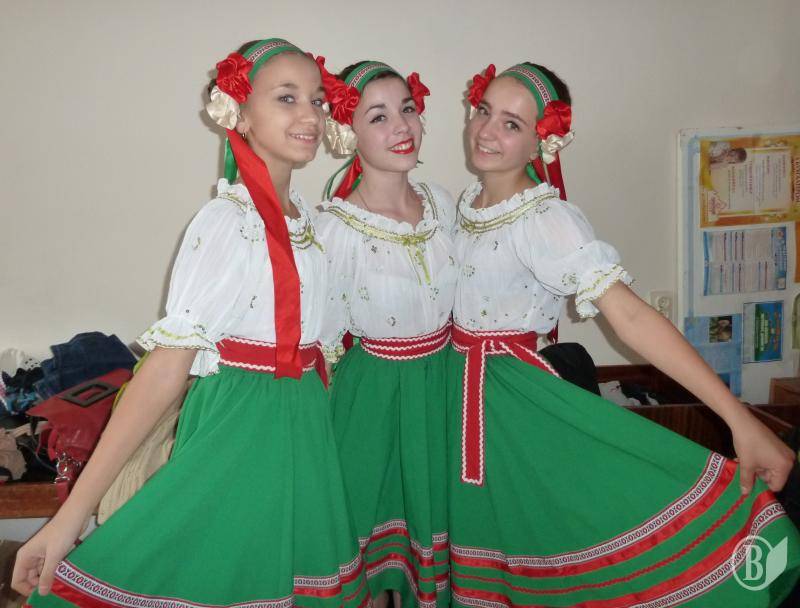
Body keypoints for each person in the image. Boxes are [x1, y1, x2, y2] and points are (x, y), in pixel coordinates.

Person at [13, 39, 370, 608]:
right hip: (239, 433)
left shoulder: (310, 223)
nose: (309, 114)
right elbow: (164, 370)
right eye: (286, 98)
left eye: (317, 100)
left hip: (301, 438)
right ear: (240, 113)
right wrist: (69, 518)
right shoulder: (228, 223)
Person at [446, 62, 800, 607]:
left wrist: (739, 419)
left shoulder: (545, 220)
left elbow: (631, 318)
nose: (487, 131)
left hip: (518, 409)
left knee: (548, 553)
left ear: (544, 140)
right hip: (465, 404)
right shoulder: (466, 205)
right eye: (485, 111)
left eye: (512, 124)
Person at [315, 58, 455, 608]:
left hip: (443, 392)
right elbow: (321, 343)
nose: (402, 127)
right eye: (378, 116)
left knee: (436, 544)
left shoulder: (443, 204)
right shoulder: (335, 228)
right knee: (368, 563)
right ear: (348, 131)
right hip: (372, 401)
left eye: (407, 109)